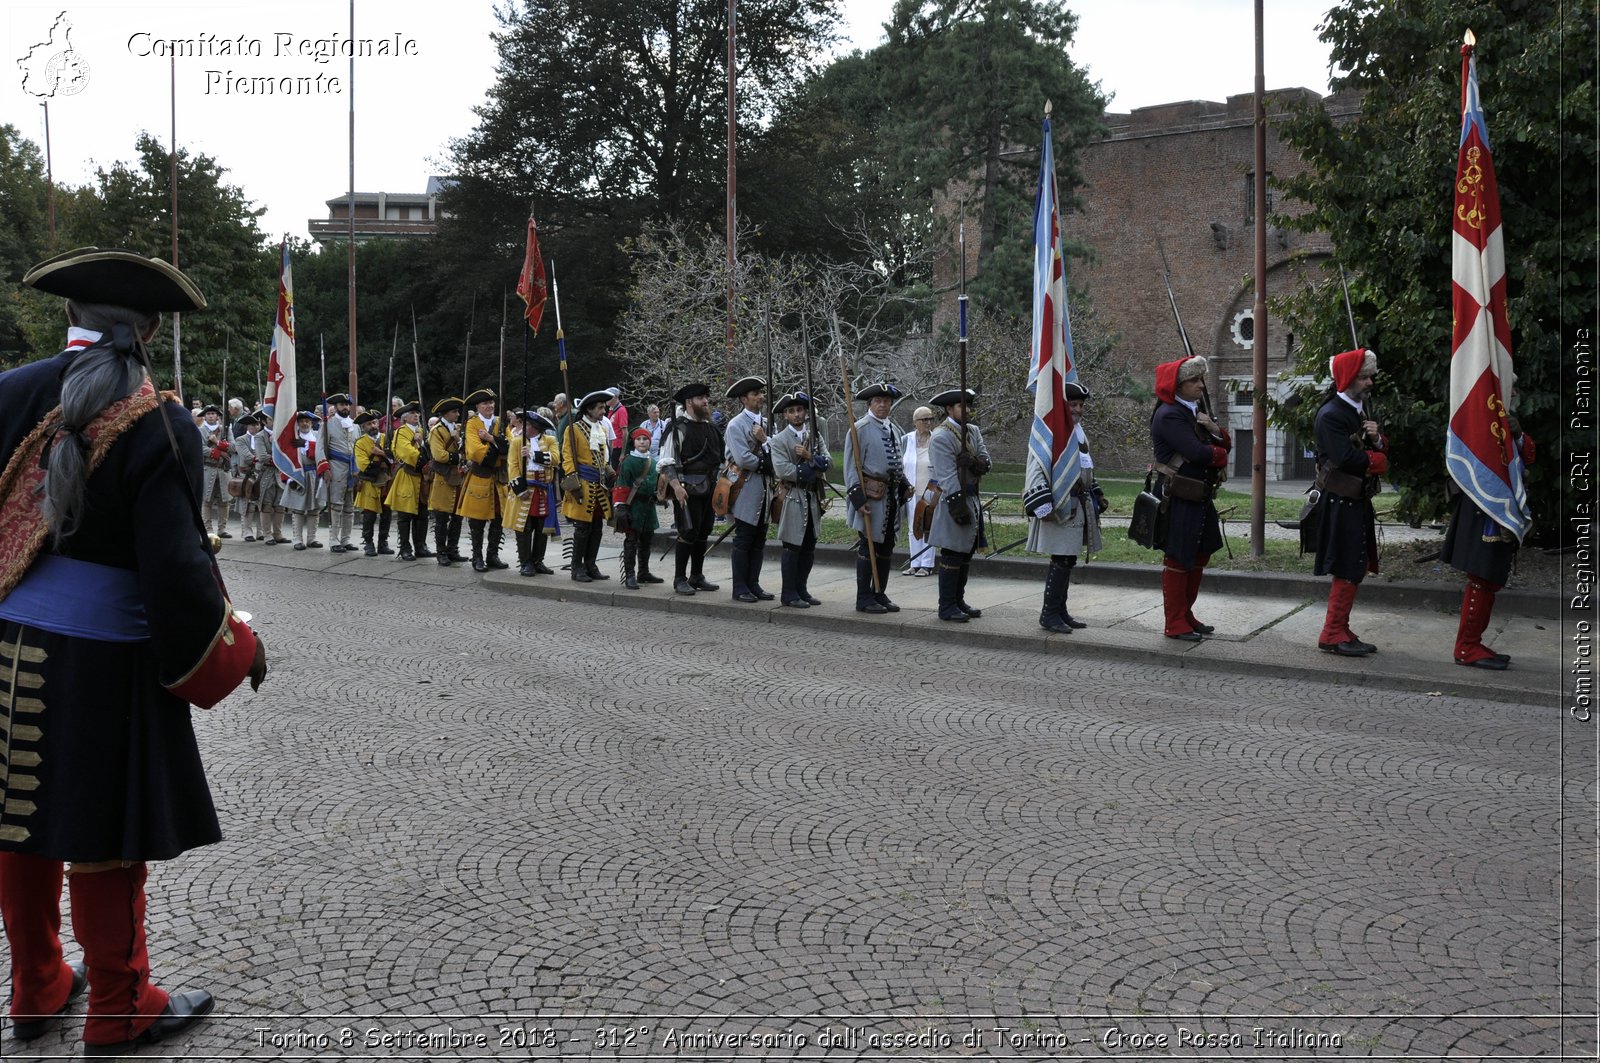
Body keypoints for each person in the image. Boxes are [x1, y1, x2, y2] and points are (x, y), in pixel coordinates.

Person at [2, 246, 267, 1056]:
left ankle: (36, 986)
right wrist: (239, 644)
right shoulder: (159, 419)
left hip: (9, 647)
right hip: (105, 668)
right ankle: (120, 1006)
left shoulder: (10, 392)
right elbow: (177, 575)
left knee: (18, 820)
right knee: (104, 833)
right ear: (150, 329)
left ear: (71, 315)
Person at [1442, 414, 1535, 669]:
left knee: (1491, 578)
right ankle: (1466, 646)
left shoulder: (1507, 415)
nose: (1513, 391)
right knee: (1482, 577)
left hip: (1501, 505)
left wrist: (1517, 436)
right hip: (1483, 506)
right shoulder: (1476, 411)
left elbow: (1528, 456)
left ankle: (1474, 642)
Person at [1310, 348, 1388, 656]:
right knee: (1347, 565)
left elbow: (1377, 446)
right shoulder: (1331, 414)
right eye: (1364, 377)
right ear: (1347, 379)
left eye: (1371, 376)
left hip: (1357, 499)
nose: (1370, 382)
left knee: (1356, 565)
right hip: (1340, 499)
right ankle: (1331, 633)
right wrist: (1378, 457)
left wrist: (1378, 439)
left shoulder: (1361, 410)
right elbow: (1345, 458)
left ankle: (1340, 627)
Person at [1150, 355, 1231, 641]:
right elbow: (1198, 453)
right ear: (1178, 385)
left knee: (1201, 552)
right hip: (1179, 495)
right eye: (1194, 380)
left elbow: (1224, 442)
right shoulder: (1170, 414)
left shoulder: (1193, 411)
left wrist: (1213, 430)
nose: (1201, 385)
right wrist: (1220, 455)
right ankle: (1174, 622)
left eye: (1201, 379)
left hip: (1199, 494)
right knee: (1179, 557)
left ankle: (1186, 613)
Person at [1023, 381, 1106, 633]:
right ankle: (1049, 614)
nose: (1078, 409)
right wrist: (1042, 504)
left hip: (1077, 504)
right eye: (1073, 404)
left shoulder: (1079, 432)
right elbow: (1036, 466)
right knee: (1060, 558)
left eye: (1080, 405)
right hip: (1058, 504)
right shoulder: (1051, 431)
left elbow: (1085, 466)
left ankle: (1060, 610)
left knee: (1068, 558)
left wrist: (1097, 492)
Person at [922, 387, 992, 622]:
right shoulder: (941, 436)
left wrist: (973, 462)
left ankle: (958, 600)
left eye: (969, 405)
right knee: (952, 554)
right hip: (955, 501)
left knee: (965, 554)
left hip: (972, 497)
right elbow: (946, 475)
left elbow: (986, 461)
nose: (968, 410)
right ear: (949, 409)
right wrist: (957, 505)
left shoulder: (973, 431)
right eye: (963, 406)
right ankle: (947, 605)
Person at [843, 381, 908, 614]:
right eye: (878, 401)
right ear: (870, 404)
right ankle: (864, 597)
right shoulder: (859, 428)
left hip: (891, 495)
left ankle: (880, 592)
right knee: (868, 546)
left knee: (886, 546)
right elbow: (851, 467)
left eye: (887, 401)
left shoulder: (895, 429)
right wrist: (858, 499)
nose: (883, 405)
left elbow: (897, 463)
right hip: (871, 496)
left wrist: (905, 484)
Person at [659, 382, 724, 594]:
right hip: (686, 488)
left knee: (703, 531)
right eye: (700, 398)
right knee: (687, 531)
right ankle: (680, 579)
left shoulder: (711, 427)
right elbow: (667, 462)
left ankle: (697, 575)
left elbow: (719, 459)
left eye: (706, 397)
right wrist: (676, 487)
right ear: (689, 402)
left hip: (709, 487)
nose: (705, 401)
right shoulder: (678, 428)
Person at [770, 392, 830, 608]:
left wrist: (809, 457)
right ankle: (789, 593)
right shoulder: (779, 440)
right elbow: (783, 470)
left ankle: (802, 589)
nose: (797, 415)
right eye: (791, 411)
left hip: (812, 496)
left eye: (800, 410)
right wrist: (814, 468)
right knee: (792, 546)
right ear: (785, 415)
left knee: (809, 546)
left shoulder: (815, 436)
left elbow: (828, 462)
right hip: (793, 496)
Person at [723, 376, 773, 602]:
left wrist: (766, 442)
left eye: (761, 393)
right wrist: (768, 463)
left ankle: (754, 583)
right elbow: (743, 459)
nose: (761, 397)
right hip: (744, 486)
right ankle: (740, 587)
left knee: (759, 539)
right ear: (744, 399)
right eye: (755, 394)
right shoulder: (736, 425)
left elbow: (777, 449)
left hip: (764, 488)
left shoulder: (767, 422)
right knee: (744, 539)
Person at [561, 390, 616, 581]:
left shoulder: (601, 429)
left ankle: (591, 564)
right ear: (590, 409)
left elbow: (603, 458)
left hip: (599, 486)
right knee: (582, 528)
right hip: (583, 483)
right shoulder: (573, 429)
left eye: (604, 407)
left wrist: (610, 472)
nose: (603, 411)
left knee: (597, 527)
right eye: (600, 408)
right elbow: (567, 457)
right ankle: (577, 568)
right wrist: (573, 481)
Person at [456, 388, 509, 572]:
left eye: (491, 402)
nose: (490, 406)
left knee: (498, 520)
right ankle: (477, 557)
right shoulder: (471, 424)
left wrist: (490, 439)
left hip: (498, 479)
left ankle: (492, 555)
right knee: (477, 522)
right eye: (485, 403)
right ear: (478, 406)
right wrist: (498, 445)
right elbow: (476, 453)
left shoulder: (500, 422)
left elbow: (509, 449)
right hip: (480, 476)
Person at [507, 409, 560, 576]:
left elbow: (556, 459)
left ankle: (538, 561)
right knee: (524, 527)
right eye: (525, 423)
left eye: (528, 424)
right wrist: (519, 489)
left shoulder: (550, 440)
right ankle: (525, 562)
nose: (525, 427)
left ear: (536, 427)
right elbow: (513, 466)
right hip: (526, 489)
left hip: (543, 490)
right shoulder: (517, 442)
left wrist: (532, 454)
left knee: (542, 527)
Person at [613, 426, 664, 589]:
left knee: (646, 541)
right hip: (633, 506)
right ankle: (630, 575)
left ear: (650, 442)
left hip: (648, 508)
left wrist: (660, 495)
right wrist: (620, 507)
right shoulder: (628, 462)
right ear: (633, 443)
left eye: (645, 439)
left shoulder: (654, 462)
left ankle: (644, 572)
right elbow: (622, 484)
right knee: (631, 541)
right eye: (639, 439)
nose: (642, 442)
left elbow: (657, 484)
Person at [384, 401, 428, 561]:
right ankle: (404, 547)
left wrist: (422, 444)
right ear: (405, 417)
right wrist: (422, 451)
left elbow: (427, 448)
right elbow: (407, 453)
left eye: (417, 413)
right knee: (405, 515)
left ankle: (421, 546)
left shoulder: (422, 431)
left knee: (422, 513)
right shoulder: (401, 432)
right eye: (413, 413)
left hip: (421, 477)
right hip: (407, 476)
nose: (416, 416)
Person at [426, 396, 468, 565]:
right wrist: (458, 456)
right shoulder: (437, 431)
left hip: (457, 476)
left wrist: (459, 441)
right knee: (442, 518)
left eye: (458, 411)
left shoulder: (457, 429)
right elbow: (439, 455)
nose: (457, 414)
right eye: (454, 412)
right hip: (443, 477)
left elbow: (466, 450)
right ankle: (441, 552)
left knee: (457, 517)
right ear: (445, 414)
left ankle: (453, 549)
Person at [283, 410, 329, 550]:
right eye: (302, 421)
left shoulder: (317, 436)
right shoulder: (292, 437)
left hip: (314, 474)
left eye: (307, 421)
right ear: (297, 423)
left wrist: (306, 444)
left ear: (311, 423)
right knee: (298, 508)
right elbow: (285, 458)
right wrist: (288, 478)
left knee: (314, 508)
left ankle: (311, 538)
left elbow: (321, 453)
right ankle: (297, 539)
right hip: (298, 475)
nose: (305, 423)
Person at [353, 409, 395, 557]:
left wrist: (381, 453)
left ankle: (383, 543)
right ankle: (368, 544)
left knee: (387, 513)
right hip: (370, 481)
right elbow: (363, 465)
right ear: (363, 428)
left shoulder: (387, 438)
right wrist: (381, 464)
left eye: (374, 422)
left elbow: (395, 457)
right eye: (368, 424)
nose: (372, 426)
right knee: (369, 515)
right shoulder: (360, 443)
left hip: (387, 481)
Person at [321, 393, 359, 552]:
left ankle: (346, 539)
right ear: (335, 407)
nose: (345, 407)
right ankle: (333, 540)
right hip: (336, 467)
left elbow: (358, 449)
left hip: (352, 469)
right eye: (342, 404)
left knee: (350, 507)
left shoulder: (355, 426)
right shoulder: (327, 425)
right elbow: (320, 448)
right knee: (336, 505)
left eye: (347, 404)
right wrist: (325, 468)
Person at [902, 405, 937, 576]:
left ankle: (927, 564)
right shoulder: (906, 440)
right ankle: (915, 562)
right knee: (913, 526)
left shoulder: (936, 439)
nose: (928, 422)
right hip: (911, 491)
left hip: (930, 491)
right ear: (915, 422)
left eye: (930, 418)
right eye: (924, 419)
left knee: (927, 526)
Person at [197, 405, 233, 538]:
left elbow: (233, 447)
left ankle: (222, 529)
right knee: (207, 500)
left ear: (217, 416)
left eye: (213, 414)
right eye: (208, 414)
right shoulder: (200, 431)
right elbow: (200, 448)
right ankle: (208, 529)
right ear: (205, 416)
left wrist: (217, 442)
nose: (211, 416)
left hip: (223, 470)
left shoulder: (225, 430)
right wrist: (219, 453)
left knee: (225, 501)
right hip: (208, 468)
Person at [231, 413, 265, 542]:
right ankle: (247, 531)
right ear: (247, 426)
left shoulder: (263, 438)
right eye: (251, 424)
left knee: (261, 505)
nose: (254, 427)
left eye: (256, 424)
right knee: (248, 505)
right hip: (247, 475)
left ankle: (260, 531)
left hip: (261, 474)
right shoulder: (241, 440)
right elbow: (246, 457)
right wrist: (261, 457)